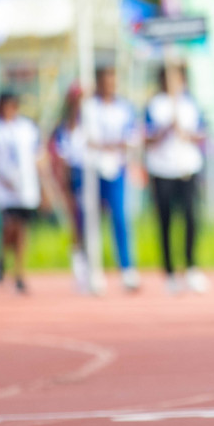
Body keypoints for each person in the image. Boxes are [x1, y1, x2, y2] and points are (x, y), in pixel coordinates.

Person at [145, 64, 207, 293]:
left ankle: (191, 267)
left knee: (191, 217)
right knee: (165, 221)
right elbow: (146, 136)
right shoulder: (155, 105)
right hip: (162, 169)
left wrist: (186, 133)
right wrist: (164, 130)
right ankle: (169, 272)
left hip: (187, 168)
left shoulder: (190, 103)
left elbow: (201, 132)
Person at [86, 67, 140, 292]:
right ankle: (93, 270)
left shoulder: (124, 108)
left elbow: (131, 138)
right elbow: (86, 139)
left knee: (120, 218)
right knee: (91, 221)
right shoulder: (88, 108)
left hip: (115, 168)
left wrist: (111, 145)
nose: (109, 85)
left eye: (112, 81)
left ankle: (127, 268)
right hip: (91, 170)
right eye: (105, 81)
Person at [0, 91, 41, 294]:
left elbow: (38, 156)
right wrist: (1, 179)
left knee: (22, 229)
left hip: (26, 187)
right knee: (9, 226)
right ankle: (0, 256)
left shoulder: (27, 128)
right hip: (4, 188)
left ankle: (19, 272)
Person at [50, 88, 93, 293]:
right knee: (77, 223)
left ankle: (93, 264)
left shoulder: (91, 125)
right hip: (72, 177)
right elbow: (60, 157)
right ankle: (80, 268)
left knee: (91, 222)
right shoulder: (63, 129)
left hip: (92, 174)